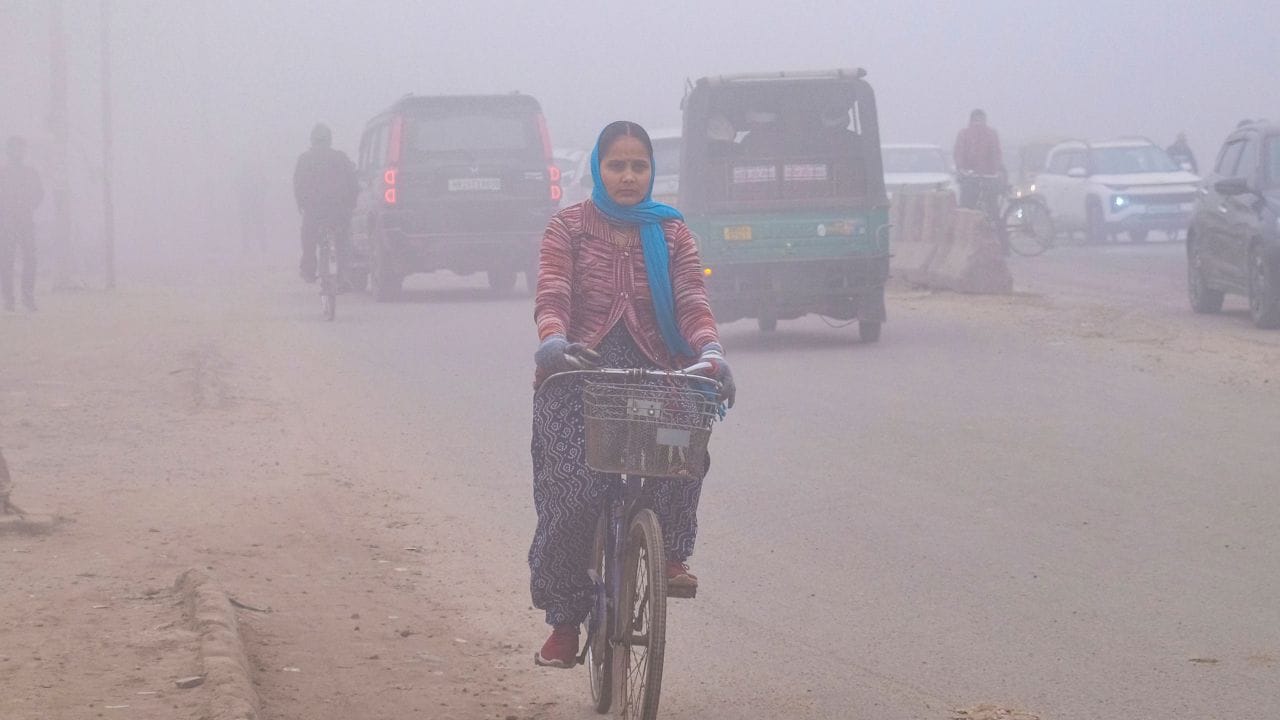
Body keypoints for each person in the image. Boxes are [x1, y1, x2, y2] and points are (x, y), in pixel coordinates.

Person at [528, 120, 737, 668]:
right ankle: (567, 620)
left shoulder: (672, 233)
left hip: (654, 373)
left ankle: (665, 547)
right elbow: (553, 293)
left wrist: (711, 351)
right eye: (616, 165)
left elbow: (692, 298)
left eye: (638, 166)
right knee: (573, 494)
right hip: (578, 374)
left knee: (683, 448)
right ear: (598, 168)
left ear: (652, 172)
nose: (627, 176)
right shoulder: (569, 227)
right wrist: (553, 342)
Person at [292, 123, 357, 283]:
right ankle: (344, 276)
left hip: (314, 212)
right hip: (339, 211)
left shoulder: (305, 159)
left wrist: (301, 204)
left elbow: (298, 185)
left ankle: (308, 270)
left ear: (313, 140)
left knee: (309, 240)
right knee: (343, 241)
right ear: (329, 140)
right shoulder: (341, 157)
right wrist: (351, 204)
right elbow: (353, 183)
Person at [0, 136, 44, 312]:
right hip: (6, 222)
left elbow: (39, 193)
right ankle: (8, 299)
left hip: (26, 221)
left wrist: (29, 206)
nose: (17, 152)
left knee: (30, 259)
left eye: (20, 148)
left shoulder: (31, 173)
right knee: (6, 260)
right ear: (8, 151)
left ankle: (27, 297)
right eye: (14, 148)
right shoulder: (2, 174)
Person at [953, 109, 1005, 210]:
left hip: (971, 177)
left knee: (967, 207)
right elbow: (997, 153)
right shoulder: (992, 133)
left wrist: (961, 169)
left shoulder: (964, 134)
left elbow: (958, 153)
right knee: (991, 205)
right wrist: (996, 169)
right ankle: (995, 223)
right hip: (989, 176)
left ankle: (968, 222)